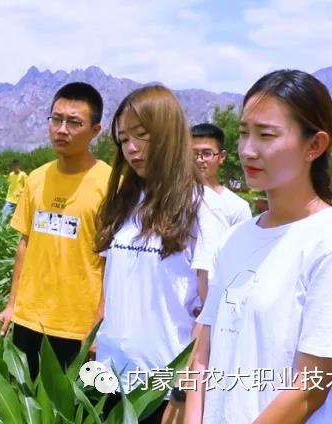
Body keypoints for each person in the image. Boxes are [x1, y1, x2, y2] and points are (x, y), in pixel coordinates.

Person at [183, 70, 332, 423]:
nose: (248, 149)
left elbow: (310, 389)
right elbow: (203, 353)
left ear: (314, 145)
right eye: (244, 133)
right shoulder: (235, 238)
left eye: (266, 135)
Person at [93, 86, 222, 423]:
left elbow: (211, 314)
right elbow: (113, 286)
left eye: (142, 134)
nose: (132, 147)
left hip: (162, 388)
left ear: (169, 134)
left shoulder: (202, 208)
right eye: (124, 139)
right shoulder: (124, 203)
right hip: (109, 376)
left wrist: (184, 390)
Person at [0, 82, 111, 379]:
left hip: (79, 327)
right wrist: (12, 304)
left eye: (74, 122)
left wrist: (101, 325)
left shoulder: (111, 184)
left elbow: (114, 262)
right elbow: (25, 244)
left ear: (95, 131)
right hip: (29, 318)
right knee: (26, 397)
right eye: (56, 119)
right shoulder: (36, 178)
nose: (62, 129)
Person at [191, 123, 253, 228]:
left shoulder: (237, 208)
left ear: (222, 156)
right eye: (193, 153)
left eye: (207, 153)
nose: (199, 160)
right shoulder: (174, 199)